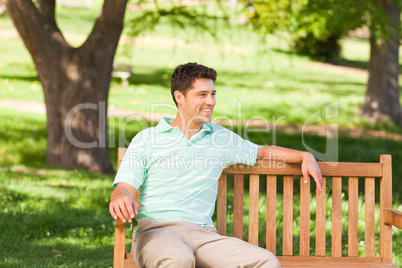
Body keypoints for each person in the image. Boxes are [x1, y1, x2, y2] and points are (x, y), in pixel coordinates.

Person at [109, 62, 323, 268]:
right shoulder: (147, 139)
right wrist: (121, 197)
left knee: (266, 262)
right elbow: (124, 188)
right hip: (156, 233)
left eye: (213, 94)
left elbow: (263, 151)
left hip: (203, 237)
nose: (210, 101)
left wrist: (305, 156)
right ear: (179, 97)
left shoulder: (221, 139)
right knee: (179, 260)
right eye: (202, 95)